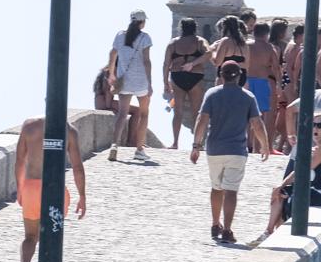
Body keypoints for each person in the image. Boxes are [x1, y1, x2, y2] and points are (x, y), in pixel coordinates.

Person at [190, 60, 269, 244]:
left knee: (216, 188)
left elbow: (202, 120)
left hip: (214, 150)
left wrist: (196, 146)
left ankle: (215, 224)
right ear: (240, 76)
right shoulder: (248, 97)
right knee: (231, 191)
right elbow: (257, 124)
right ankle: (227, 230)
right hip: (237, 151)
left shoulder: (212, 94)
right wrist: (264, 145)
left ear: (220, 75)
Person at [13, 117, 87, 262]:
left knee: (30, 237)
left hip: (31, 187)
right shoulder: (69, 130)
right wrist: (82, 195)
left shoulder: (29, 126)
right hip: (55, 190)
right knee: (52, 238)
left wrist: (20, 189)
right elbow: (77, 167)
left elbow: (20, 161)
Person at [249, 108, 321, 246]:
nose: (315, 128)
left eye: (320, 126)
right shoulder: (316, 147)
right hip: (318, 189)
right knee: (283, 194)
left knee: (282, 193)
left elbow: (303, 170)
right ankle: (273, 234)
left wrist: (282, 185)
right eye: (313, 125)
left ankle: (268, 232)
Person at [107, 10, 154, 162]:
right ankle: (139, 149)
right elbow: (146, 61)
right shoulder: (145, 38)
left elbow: (113, 54)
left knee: (122, 114)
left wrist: (112, 74)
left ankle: (114, 145)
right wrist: (150, 82)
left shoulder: (120, 35)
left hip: (124, 80)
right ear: (142, 22)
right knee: (144, 114)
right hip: (140, 81)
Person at [162, 17, 210, 151]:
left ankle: (175, 143)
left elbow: (166, 64)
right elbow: (209, 53)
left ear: (181, 28)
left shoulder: (173, 43)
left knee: (178, 112)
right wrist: (193, 64)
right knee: (197, 112)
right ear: (194, 28)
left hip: (177, 76)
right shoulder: (200, 41)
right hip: (195, 76)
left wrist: (165, 82)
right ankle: (197, 144)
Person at [247, 22, 283, 148]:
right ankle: (258, 146)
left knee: (246, 114)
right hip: (262, 82)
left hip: (246, 81)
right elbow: (276, 68)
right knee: (260, 115)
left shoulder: (247, 46)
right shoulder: (269, 48)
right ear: (266, 34)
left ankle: (248, 144)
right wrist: (279, 85)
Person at [210, 15, 249, 86]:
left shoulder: (225, 41)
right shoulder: (244, 43)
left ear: (224, 27)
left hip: (226, 78)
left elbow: (217, 63)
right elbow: (246, 65)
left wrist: (212, 51)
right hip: (241, 78)